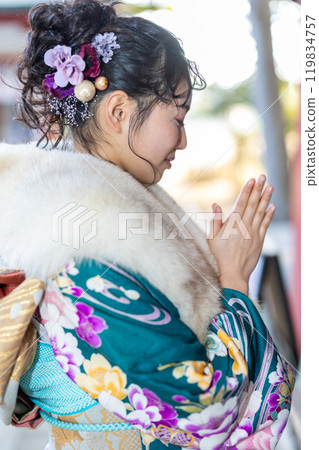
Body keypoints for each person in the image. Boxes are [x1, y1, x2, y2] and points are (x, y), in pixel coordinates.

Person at [0, 0, 294, 448]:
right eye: (176, 117)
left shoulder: (57, 213)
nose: (184, 138)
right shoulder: (86, 249)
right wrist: (232, 281)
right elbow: (205, 412)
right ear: (118, 112)